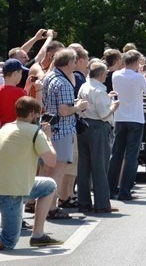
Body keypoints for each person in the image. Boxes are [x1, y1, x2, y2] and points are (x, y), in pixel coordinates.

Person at [0, 97, 63, 249]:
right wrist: (48, 137)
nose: (38, 118)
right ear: (32, 114)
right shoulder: (35, 132)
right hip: (12, 190)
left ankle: (38, 235)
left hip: (11, 184)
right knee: (8, 242)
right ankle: (37, 235)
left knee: (49, 185)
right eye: (38, 115)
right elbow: (51, 161)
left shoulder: (6, 127)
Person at [40, 48, 88, 219]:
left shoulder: (50, 77)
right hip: (63, 130)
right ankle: (51, 208)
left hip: (49, 128)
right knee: (57, 172)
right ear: (69, 63)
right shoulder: (64, 82)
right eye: (74, 61)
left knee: (47, 171)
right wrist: (79, 107)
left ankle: (45, 207)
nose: (76, 64)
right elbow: (64, 110)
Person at [108, 50, 146, 201]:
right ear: (135, 62)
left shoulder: (116, 75)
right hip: (135, 118)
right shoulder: (139, 77)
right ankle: (125, 190)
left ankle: (111, 188)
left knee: (116, 154)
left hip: (120, 117)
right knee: (131, 156)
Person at [76, 61, 119, 213]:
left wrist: (106, 98)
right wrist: (113, 106)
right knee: (100, 166)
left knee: (84, 166)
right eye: (106, 73)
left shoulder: (84, 86)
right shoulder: (99, 90)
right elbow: (103, 113)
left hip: (83, 125)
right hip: (98, 127)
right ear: (101, 74)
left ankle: (84, 202)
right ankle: (102, 203)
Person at [0, 60, 36, 127]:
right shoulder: (20, 92)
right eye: (21, 73)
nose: (21, 75)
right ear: (15, 73)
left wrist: (27, 86)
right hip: (16, 129)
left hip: (2, 129)